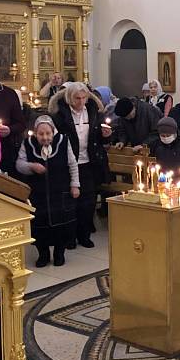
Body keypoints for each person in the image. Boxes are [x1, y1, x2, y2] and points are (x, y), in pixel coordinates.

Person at [49, 82, 112, 248]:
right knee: (70, 202)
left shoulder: (92, 112)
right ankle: (70, 237)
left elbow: (98, 138)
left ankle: (84, 235)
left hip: (89, 162)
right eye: (77, 98)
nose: (81, 101)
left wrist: (105, 135)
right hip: (69, 164)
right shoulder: (60, 115)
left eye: (84, 98)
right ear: (70, 98)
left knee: (88, 202)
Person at [16, 116, 79, 267]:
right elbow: (19, 164)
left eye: (48, 134)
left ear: (53, 132)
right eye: (41, 134)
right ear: (35, 133)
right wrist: (31, 166)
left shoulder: (63, 141)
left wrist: (75, 185)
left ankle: (59, 253)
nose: (45, 137)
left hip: (60, 190)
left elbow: (72, 164)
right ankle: (43, 254)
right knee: (39, 225)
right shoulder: (28, 143)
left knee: (61, 225)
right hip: (38, 192)